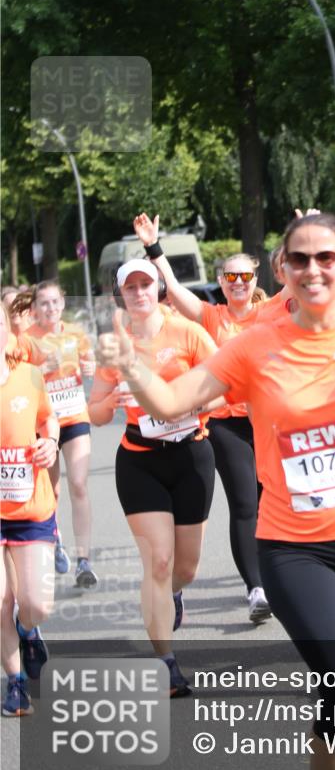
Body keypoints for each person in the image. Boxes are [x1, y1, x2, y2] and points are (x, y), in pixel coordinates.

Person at [97, 198, 335, 770]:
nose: (314, 269)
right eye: (300, 259)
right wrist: (130, 365)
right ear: (281, 269)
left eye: (327, 258)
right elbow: (170, 403)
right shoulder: (253, 346)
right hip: (295, 549)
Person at [132, 213, 274, 622]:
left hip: (267, 419)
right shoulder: (213, 317)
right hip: (225, 422)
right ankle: (256, 588)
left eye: (244, 277)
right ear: (222, 281)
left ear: (255, 277)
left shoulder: (271, 315)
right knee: (246, 502)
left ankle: (276, 573)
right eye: (230, 278)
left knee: (271, 501)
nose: (238, 284)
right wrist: (153, 248)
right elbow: (174, 291)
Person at [88, 260, 218, 695]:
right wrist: (114, 398)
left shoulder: (188, 333)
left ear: (159, 288)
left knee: (185, 568)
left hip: (191, 456)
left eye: (147, 284)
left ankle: (175, 593)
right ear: (120, 295)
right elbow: (95, 411)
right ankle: (165, 663)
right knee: (157, 562)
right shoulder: (114, 345)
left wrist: (192, 406)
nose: (140, 292)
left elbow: (224, 386)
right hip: (140, 460)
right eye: (132, 287)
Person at [15, 282, 97, 585]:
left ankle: (84, 561)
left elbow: (91, 365)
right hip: (41, 423)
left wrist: (91, 368)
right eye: (44, 304)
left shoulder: (75, 334)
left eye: (54, 302)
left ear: (63, 304)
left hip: (74, 415)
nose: (50, 308)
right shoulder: (25, 341)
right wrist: (39, 369)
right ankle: (56, 538)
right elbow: (16, 383)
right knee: (52, 491)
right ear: (34, 308)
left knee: (77, 484)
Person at [1, 301, 60, 716]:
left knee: (37, 602)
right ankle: (15, 683)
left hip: (31, 508)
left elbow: (49, 419)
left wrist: (50, 443)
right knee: (0, 599)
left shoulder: (29, 376)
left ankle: (27, 629)